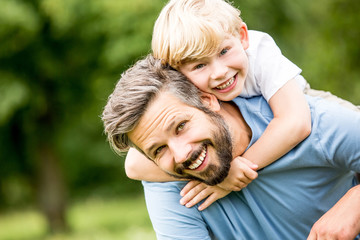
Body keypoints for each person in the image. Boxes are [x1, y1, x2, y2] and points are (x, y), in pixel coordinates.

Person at [102, 55, 360, 240]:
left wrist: (354, 203)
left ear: (207, 101)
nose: (181, 154)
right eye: (158, 150)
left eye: (181, 126)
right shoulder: (169, 186)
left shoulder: (305, 121)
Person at [125, 0, 360, 197]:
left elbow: (296, 122)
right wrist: (214, 175)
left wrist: (236, 170)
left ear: (242, 36)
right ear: (177, 71)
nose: (219, 72)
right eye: (199, 65)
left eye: (224, 51)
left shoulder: (260, 52)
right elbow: (134, 166)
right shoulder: (181, 86)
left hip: (304, 101)